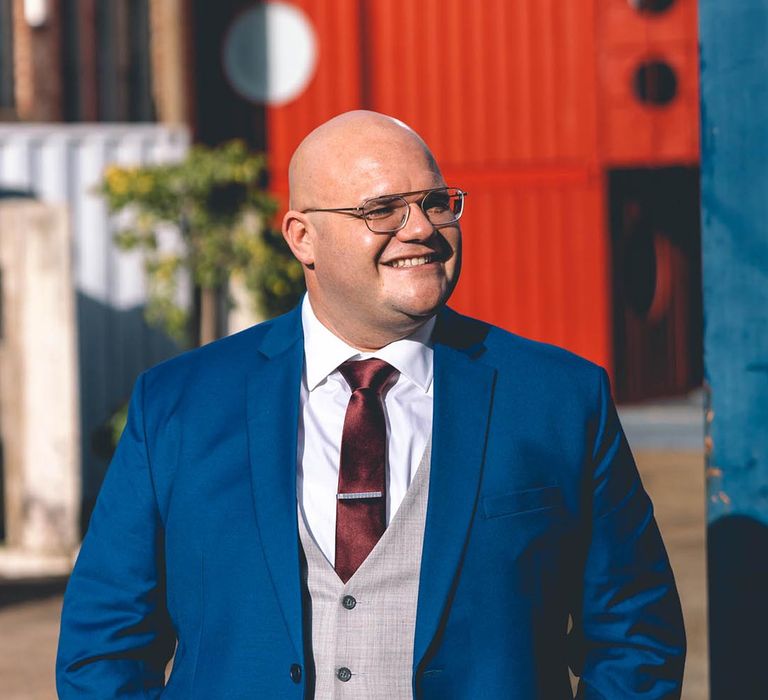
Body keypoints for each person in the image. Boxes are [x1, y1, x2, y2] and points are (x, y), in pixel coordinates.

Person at [56, 111, 685, 699]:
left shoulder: (558, 398)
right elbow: (106, 643)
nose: (421, 229)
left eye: (436, 202)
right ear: (303, 238)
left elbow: (635, 634)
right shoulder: (179, 404)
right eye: (381, 209)